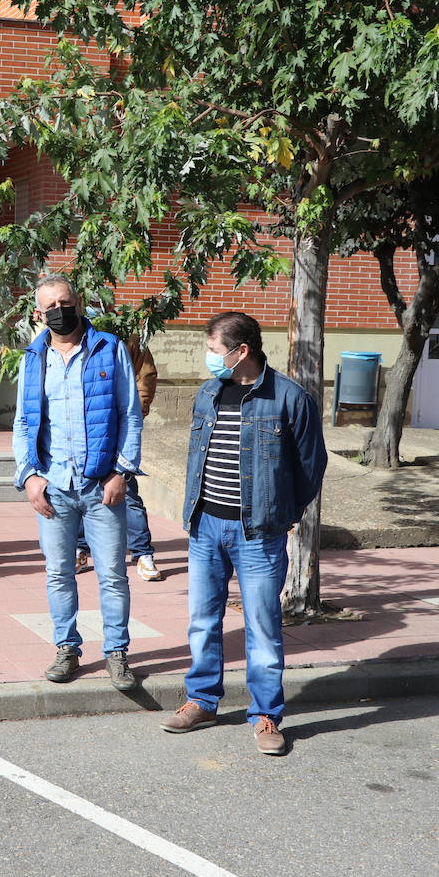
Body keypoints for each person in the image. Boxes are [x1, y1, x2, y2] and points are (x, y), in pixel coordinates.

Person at [160, 311, 327, 755]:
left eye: (215, 351)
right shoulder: (209, 392)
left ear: (242, 351)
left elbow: (312, 467)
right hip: (205, 526)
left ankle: (267, 714)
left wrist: (284, 512)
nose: (209, 359)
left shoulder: (290, 398)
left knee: (262, 626)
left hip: (258, 533)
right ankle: (202, 700)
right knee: (202, 620)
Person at [12, 277, 144, 688]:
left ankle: (117, 653)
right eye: (50, 305)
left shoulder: (109, 347)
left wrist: (122, 471)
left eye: (65, 302)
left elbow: (130, 414)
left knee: (112, 574)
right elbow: (22, 422)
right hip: (54, 487)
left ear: (79, 302)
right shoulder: (33, 358)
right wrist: (29, 476)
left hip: (101, 485)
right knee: (58, 574)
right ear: (39, 313)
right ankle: (67, 648)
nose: (58, 310)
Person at [75, 330, 165, 582]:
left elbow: (145, 374)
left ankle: (143, 553)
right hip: (82, 434)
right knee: (80, 492)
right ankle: (81, 549)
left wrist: (139, 407)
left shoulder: (124, 334)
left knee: (129, 495)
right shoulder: (69, 336)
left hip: (115, 430)